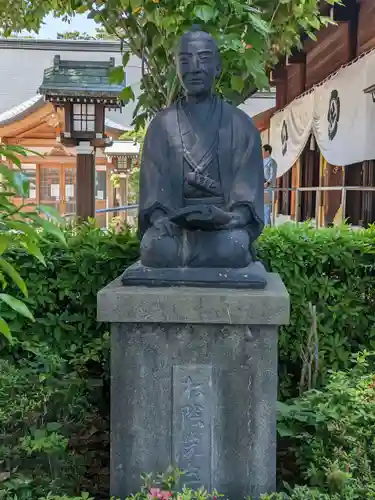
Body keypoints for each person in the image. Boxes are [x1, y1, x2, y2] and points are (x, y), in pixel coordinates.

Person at [138, 26, 264, 269]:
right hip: (174, 230)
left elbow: (247, 196)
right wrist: (160, 218)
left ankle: (193, 257)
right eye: (185, 60)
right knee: (154, 248)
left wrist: (231, 217)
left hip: (223, 231)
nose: (194, 67)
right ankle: (188, 255)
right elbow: (153, 191)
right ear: (176, 68)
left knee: (234, 247)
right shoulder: (161, 126)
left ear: (217, 67)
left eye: (203, 59)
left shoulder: (239, 124)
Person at [263, 144, 277, 226]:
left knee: (266, 208)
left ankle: (267, 228)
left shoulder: (271, 161)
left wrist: (268, 182)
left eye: (263, 151)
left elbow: (273, 174)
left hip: (267, 187)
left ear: (267, 152)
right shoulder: (261, 161)